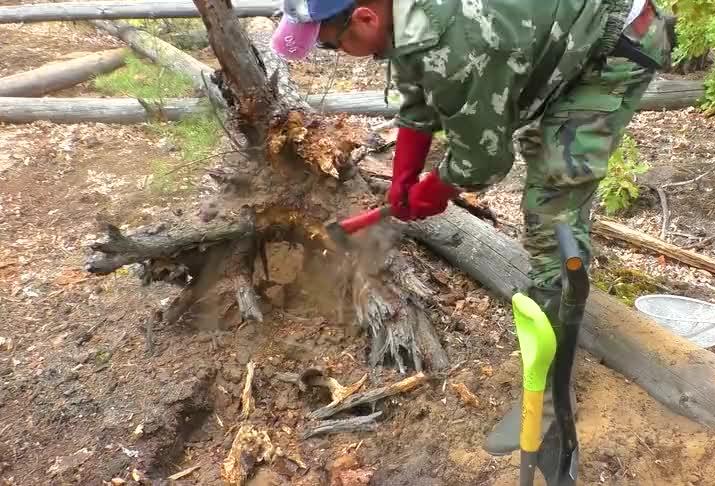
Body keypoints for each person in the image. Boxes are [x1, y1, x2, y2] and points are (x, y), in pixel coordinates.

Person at [272, 0, 676, 456]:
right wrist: (404, 173)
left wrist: (437, 188)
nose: (341, 53)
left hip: (613, 43)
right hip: (561, 35)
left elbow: (483, 160)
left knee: (552, 209)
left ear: (365, 17)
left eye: (333, 43)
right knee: (537, 144)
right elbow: (419, 86)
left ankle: (549, 399)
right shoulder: (403, 15)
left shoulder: (452, 40)